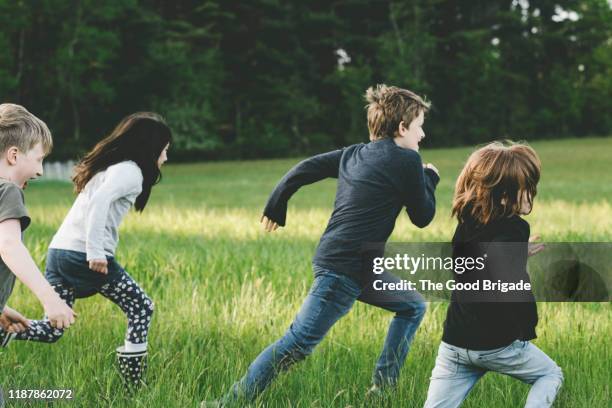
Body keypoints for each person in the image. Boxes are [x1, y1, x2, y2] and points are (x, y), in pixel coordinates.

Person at [204, 84, 439, 406]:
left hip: (355, 264)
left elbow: (303, 169)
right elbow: (423, 216)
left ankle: (382, 391)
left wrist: (276, 204)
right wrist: (430, 178)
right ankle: (226, 404)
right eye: (419, 126)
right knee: (297, 343)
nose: (422, 135)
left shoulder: (354, 154)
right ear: (402, 128)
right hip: (344, 269)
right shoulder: (407, 160)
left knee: (412, 305)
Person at [0, 112, 172, 390]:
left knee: (53, 329)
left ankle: (3, 331)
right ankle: (134, 385)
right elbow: (99, 203)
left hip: (60, 251)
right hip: (83, 256)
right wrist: (95, 252)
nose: (164, 158)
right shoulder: (131, 171)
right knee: (141, 307)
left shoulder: (110, 167)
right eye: (164, 150)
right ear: (151, 147)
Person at [423, 141, 563, 408]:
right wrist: (526, 327)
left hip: (455, 342)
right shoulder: (515, 228)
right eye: (527, 189)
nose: (531, 195)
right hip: (497, 344)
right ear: (503, 196)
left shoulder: (467, 221)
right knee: (549, 373)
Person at [0, 103, 76, 346]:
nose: (40, 171)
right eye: (39, 159)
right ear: (14, 155)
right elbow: (9, 244)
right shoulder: (7, 190)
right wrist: (50, 299)